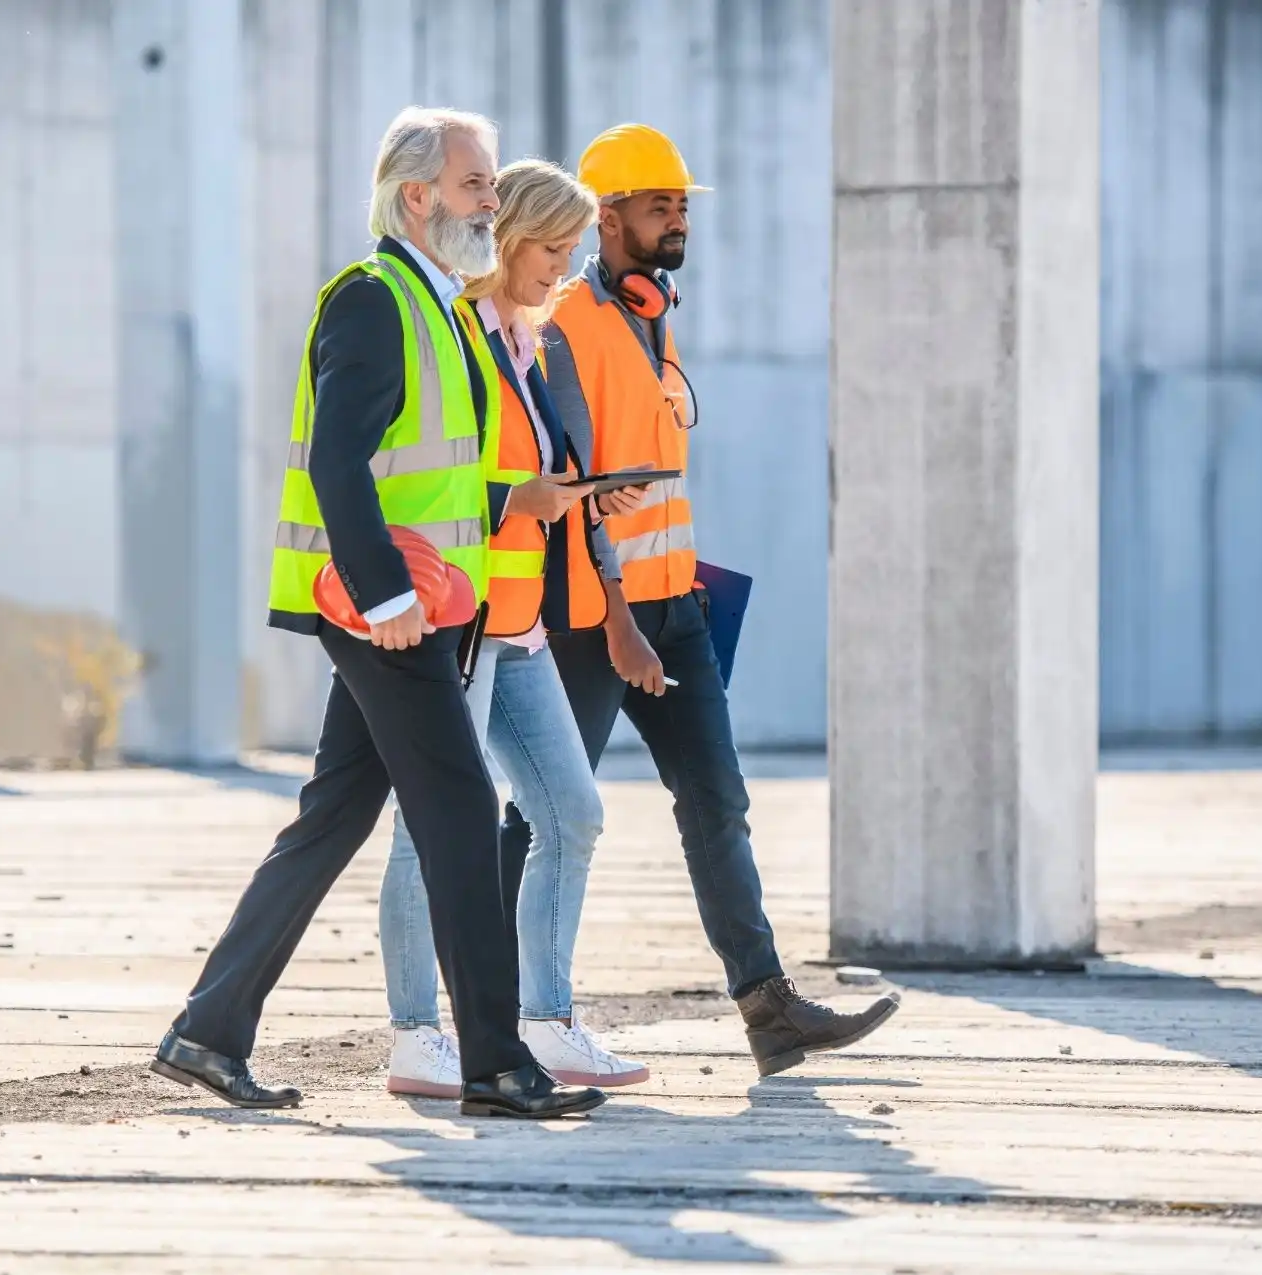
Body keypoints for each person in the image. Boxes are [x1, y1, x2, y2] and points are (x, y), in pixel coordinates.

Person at [150, 107, 605, 1119]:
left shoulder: (433, 302)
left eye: (487, 185)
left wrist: (488, 530)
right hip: (385, 612)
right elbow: (342, 467)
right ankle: (495, 1063)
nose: (492, 202)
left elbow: (433, 480)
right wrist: (387, 597)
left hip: (424, 608)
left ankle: (207, 1030)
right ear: (418, 196)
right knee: (462, 813)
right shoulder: (371, 300)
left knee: (337, 814)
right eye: (478, 184)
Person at [506, 123, 901, 1076]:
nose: (677, 218)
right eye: (658, 204)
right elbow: (572, 492)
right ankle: (494, 1012)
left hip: (676, 605)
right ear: (605, 218)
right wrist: (622, 623)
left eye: (682, 203)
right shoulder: (563, 329)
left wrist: (669, 605)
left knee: (717, 801)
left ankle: (767, 1007)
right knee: (547, 817)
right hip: (599, 619)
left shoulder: (654, 318)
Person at [377, 160, 651, 1099]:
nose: (566, 265)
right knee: (429, 829)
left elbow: (527, 468)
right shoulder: (453, 333)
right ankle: (416, 1035)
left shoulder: (526, 339)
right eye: (552, 246)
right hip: (462, 620)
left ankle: (545, 1019)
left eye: (575, 249)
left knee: (571, 812)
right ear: (505, 240)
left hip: (521, 618)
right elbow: (432, 476)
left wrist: (571, 493)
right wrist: (512, 495)